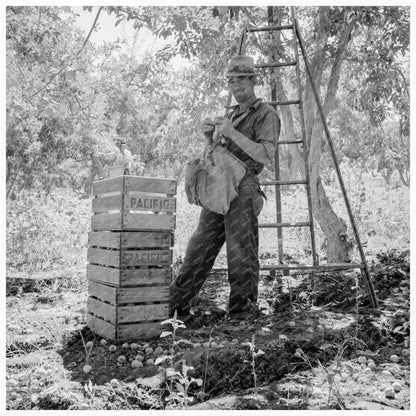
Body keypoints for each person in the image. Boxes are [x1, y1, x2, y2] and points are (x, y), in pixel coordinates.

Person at [171, 55, 281, 317]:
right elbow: (215, 154)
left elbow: (266, 155)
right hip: (221, 187)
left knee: (240, 250)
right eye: (231, 81)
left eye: (241, 80)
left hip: (244, 188)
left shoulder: (266, 115)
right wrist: (209, 138)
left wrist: (232, 132)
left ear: (253, 81)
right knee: (199, 245)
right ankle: (176, 304)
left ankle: (243, 312)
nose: (236, 86)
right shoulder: (231, 115)